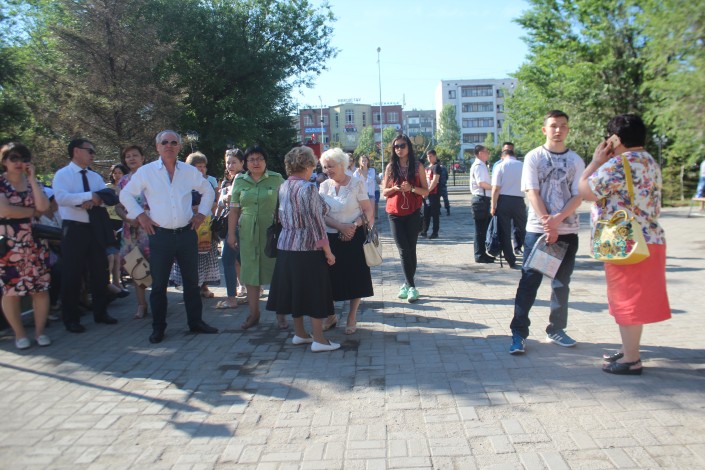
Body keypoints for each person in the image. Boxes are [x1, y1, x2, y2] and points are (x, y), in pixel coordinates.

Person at [578, 114, 671, 375]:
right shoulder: (649, 160)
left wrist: (596, 162)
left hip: (625, 242)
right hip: (651, 239)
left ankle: (631, 359)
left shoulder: (619, 164)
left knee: (626, 300)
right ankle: (629, 349)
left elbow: (584, 190)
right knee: (633, 299)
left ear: (616, 139)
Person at [119, 130, 218, 344]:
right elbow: (125, 194)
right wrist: (141, 216)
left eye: (174, 142)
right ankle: (158, 328)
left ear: (179, 147)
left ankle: (195, 322)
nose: (169, 146)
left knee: (192, 282)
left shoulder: (189, 171)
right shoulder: (147, 172)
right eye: (165, 142)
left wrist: (202, 213)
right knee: (159, 285)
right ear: (157, 147)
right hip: (160, 235)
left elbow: (208, 191)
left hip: (186, 234)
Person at [508, 110, 585, 355]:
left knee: (561, 284)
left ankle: (556, 329)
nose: (558, 130)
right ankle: (519, 333)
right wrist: (548, 225)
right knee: (530, 281)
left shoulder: (576, 160)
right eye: (553, 125)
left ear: (568, 129)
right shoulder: (534, 157)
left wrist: (557, 221)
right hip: (539, 232)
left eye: (563, 125)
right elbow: (532, 192)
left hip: (567, 230)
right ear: (545, 129)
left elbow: (578, 195)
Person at [266, 146, 339, 352]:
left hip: (285, 246)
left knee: (295, 291)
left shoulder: (283, 186)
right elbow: (317, 224)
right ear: (307, 165)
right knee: (315, 292)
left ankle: (300, 333)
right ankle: (319, 340)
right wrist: (328, 251)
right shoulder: (308, 189)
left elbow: (279, 216)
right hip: (307, 248)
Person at [53, 138, 118, 333]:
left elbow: (107, 196)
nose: (92, 155)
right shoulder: (63, 174)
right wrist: (90, 196)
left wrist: (97, 199)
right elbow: (62, 198)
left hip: (95, 228)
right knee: (72, 274)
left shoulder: (95, 176)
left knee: (100, 272)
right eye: (90, 151)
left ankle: (101, 312)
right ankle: (71, 318)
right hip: (74, 229)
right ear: (76, 151)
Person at [226, 145, 285, 330]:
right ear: (245, 163)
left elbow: (288, 204)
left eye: (259, 159)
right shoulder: (239, 181)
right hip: (247, 233)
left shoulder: (277, 179)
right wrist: (231, 234)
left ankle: (281, 314)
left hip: (272, 233)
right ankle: (254, 314)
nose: (256, 162)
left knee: (277, 273)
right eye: (251, 159)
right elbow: (234, 210)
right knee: (250, 274)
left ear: (265, 161)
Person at [0, 143, 51, 349]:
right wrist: (31, 212)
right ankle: (19, 334)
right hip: (10, 245)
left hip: (35, 243)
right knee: (11, 291)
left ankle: (40, 332)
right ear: (4, 161)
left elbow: (44, 207)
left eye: (23, 158)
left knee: (40, 288)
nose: (19, 163)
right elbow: (5, 210)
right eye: (14, 158)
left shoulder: (32, 183)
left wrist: (32, 179)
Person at [319, 148, 374, 335]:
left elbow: (367, 210)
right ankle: (331, 315)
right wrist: (339, 226)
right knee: (329, 279)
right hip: (330, 238)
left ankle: (352, 316)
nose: (327, 170)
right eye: (325, 167)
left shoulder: (357, 183)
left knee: (355, 277)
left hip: (354, 235)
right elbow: (320, 214)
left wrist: (352, 226)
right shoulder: (323, 186)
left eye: (331, 166)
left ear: (342, 165)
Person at [382, 134, 429, 303]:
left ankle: (407, 284)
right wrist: (394, 188)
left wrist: (411, 188)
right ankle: (412, 287)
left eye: (402, 146)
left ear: (409, 147)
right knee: (403, 250)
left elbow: (426, 191)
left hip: (413, 212)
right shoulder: (390, 167)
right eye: (396, 146)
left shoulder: (417, 166)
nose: (399, 149)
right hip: (394, 213)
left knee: (411, 249)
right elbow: (384, 192)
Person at [170, 152, 220, 298]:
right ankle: (191, 288)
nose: (202, 169)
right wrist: (194, 209)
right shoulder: (182, 182)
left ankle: (204, 286)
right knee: (189, 258)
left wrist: (199, 208)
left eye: (204, 166)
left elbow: (215, 202)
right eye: (198, 166)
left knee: (206, 257)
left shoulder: (209, 182)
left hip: (206, 226)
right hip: (187, 225)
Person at [115, 145, 150, 319]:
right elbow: (118, 207)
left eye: (135, 155)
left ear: (142, 158)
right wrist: (128, 219)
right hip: (132, 229)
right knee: (137, 267)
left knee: (157, 267)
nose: (131, 158)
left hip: (152, 227)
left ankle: (159, 301)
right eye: (128, 156)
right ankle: (141, 304)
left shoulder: (152, 177)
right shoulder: (123, 182)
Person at [214, 148, 247, 309]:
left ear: (242, 163)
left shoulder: (240, 177)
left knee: (227, 260)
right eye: (228, 162)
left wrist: (225, 198)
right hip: (243, 224)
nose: (230, 166)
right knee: (240, 259)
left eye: (234, 162)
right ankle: (253, 291)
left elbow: (233, 199)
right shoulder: (241, 177)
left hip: (236, 225)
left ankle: (231, 299)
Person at [490, 149, 526, 268]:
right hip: (519, 200)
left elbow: (496, 188)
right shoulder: (523, 165)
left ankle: (510, 259)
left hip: (504, 200)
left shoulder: (500, 166)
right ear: (514, 156)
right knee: (523, 229)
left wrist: (493, 205)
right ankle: (530, 255)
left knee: (505, 232)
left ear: (503, 156)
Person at [106, 164, 129, 298]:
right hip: (109, 222)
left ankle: (117, 282)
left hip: (122, 220)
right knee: (112, 253)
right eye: (115, 173)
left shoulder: (127, 186)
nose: (117, 175)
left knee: (118, 254)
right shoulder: (107, 187)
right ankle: (111, 283)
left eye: (120, 172)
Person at [470, 145, 494, 263]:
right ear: (480, 153)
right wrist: (495, 188)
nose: (488, 153)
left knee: (483, 229)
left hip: (482, 200)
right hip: (481, 200)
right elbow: (481, 183)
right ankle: (479, 255)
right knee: (480, 230)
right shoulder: (479, 165)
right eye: (486, 152)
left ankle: (482, 253)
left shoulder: (481, 165)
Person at [421, 149, 441, 239]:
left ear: (435, 156)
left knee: (435, 214)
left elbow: (435, 180)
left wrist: (427, 191)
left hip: (434, 194)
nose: (429, 158)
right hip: (427, 194)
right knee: (426, 213)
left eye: (431, 156)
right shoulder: (427, 167)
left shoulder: (436, 167)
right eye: (428, 156)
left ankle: (435, 232)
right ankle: (424, 231)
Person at [352, 155, 377, 220]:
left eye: (365, 160)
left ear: (368, 161)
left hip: (370, 194)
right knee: (362, 214)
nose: (364, 162)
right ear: (360, 162)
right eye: (362, 161)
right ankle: (364, 226)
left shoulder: (372, 170)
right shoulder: (356, 172)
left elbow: (369, 180)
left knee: (371, 213)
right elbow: (355, 182)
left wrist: (362, 173)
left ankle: (371, 226)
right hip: (361, 195)